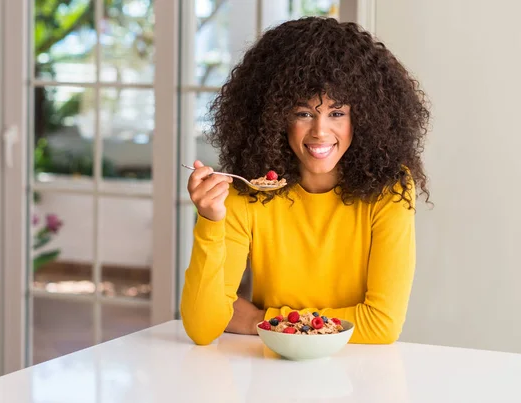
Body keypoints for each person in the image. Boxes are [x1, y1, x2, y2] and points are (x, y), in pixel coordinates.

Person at [180, 17, 430, 346]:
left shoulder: (389, 188)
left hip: (361, 379)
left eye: (337, 113)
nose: (320, 132)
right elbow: (202, 327)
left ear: (365, 117)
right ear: (275, 116)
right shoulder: (250, 191)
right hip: (271, 375)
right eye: (304, 113)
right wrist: (210, 222)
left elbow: (382, 325)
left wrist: (260, 318)